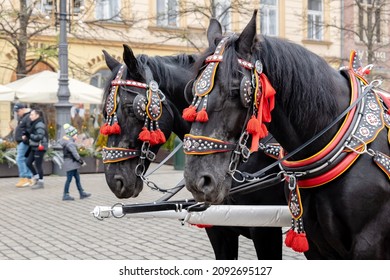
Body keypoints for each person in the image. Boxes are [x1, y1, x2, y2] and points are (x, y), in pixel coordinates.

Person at [59, 123, 91, 201]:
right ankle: (65, 194)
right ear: (71, 135)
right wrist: (81, 161)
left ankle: (81, 193)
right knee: (69, 179)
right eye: (75, 135)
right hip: (71, 164)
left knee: (77, 179)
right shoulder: (70, 143)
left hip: (71, 164)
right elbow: (75, 154)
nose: (76, 136)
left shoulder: (67, 142)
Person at [24, 109, 48, 189]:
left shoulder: (39, 124)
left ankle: (41, 182)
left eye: (32, 115)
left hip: (40, 147)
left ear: (37, 115)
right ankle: (37, 177)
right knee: (28, 162)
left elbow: (40, 136)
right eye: (30, 114)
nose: (30, 116)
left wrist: (30, 135)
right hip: (34, 146)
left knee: (38, 165)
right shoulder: (34, 123)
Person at [13, 103, 32, 188]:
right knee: (26, 159)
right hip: (24, 141)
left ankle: (24, 178)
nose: (17, 113)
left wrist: (25, 139)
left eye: (17, 111)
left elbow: (29, 129)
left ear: (22, 109)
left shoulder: (28, 117)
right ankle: (29, 178)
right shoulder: (25, 116)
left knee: (20, 159)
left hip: (24, 142)